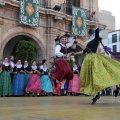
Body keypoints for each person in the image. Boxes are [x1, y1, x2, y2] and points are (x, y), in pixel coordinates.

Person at [75, 27, 120, 104]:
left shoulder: (96, 40)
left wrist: (98, 28)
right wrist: (75, 53)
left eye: (90, 33)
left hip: (94, 60)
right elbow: (84, 51)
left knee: (99, 77)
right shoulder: (90, 42)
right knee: (92, 78)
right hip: (89, 61)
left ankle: (115, 88)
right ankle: (95, 95)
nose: (90, 35)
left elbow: (96, 32)